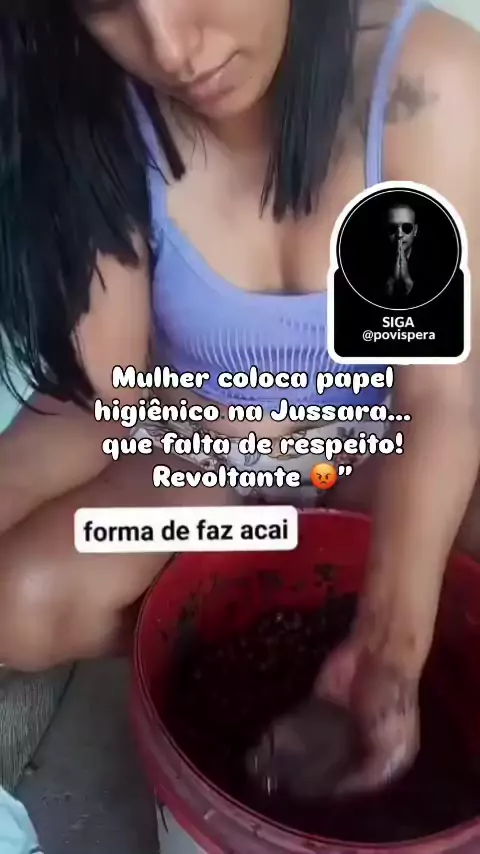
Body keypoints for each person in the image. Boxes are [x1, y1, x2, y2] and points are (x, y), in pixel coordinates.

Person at [1, 0, 480, 794]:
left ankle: (347, 619)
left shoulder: (417, 83)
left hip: (380, 457)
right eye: (109, 7)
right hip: (209, 471)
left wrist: (390, 647)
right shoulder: (104, 113)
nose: (172, 50)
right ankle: (258, 613)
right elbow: (106, 398)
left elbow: (435, 398)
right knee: (18, 600)